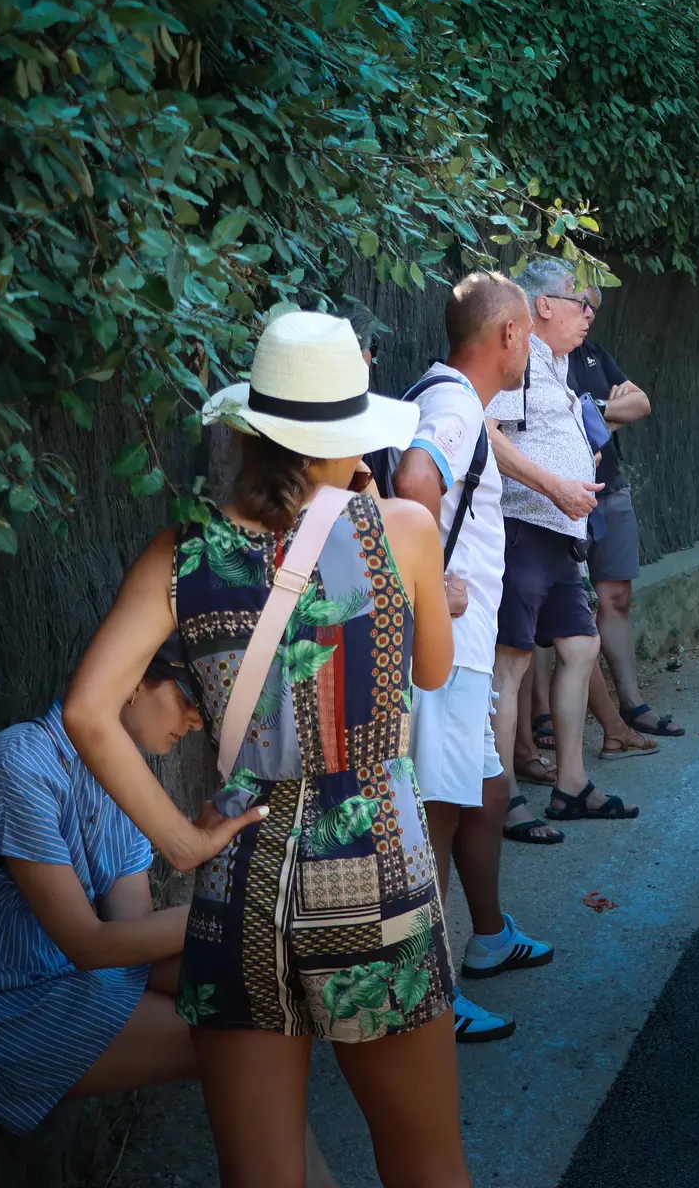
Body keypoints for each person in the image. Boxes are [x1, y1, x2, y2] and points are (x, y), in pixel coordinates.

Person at [63, 309, 468, 1185]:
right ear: (347, 435)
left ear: (250, 434)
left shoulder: (179, 555)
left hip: (238, 880)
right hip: (376, 870)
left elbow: (89, 712)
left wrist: (180, 844)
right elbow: (433, 672)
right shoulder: (401, 530)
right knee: (426, 1164)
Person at [389, 271, 554, 1047]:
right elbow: (415, 480)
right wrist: (429, 586)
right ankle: (429, 990)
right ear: (509, 334)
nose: (532, 352)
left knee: (486, 794)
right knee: (438, 812)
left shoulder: (438, 393)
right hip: (446, 652)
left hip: (461, 653)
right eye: (530, 337)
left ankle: (488, 936)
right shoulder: (455, 406)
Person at [489, 257, 638, 822]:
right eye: (581, 303)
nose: (589, 315)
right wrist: (554, 484)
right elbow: (487, 432)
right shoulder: (519, 359)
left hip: (560, 535)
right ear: (544, 305)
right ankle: (502, 799)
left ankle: (570, 785)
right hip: (523, 529)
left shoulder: (554, 364)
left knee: (580, 647)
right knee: (510, 664)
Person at [568, 326, 684, 745]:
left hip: (609, 486)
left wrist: (592, 410)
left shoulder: (594, 353)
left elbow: (641, 403)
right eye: (579, 303)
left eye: (591, 306)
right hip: (560, 495)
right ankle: (541, 719)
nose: (587, 313)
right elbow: (557, 425)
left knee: (616, 597)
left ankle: (632, 705)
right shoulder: (534, 358)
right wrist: (605, 415)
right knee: (559, 607)